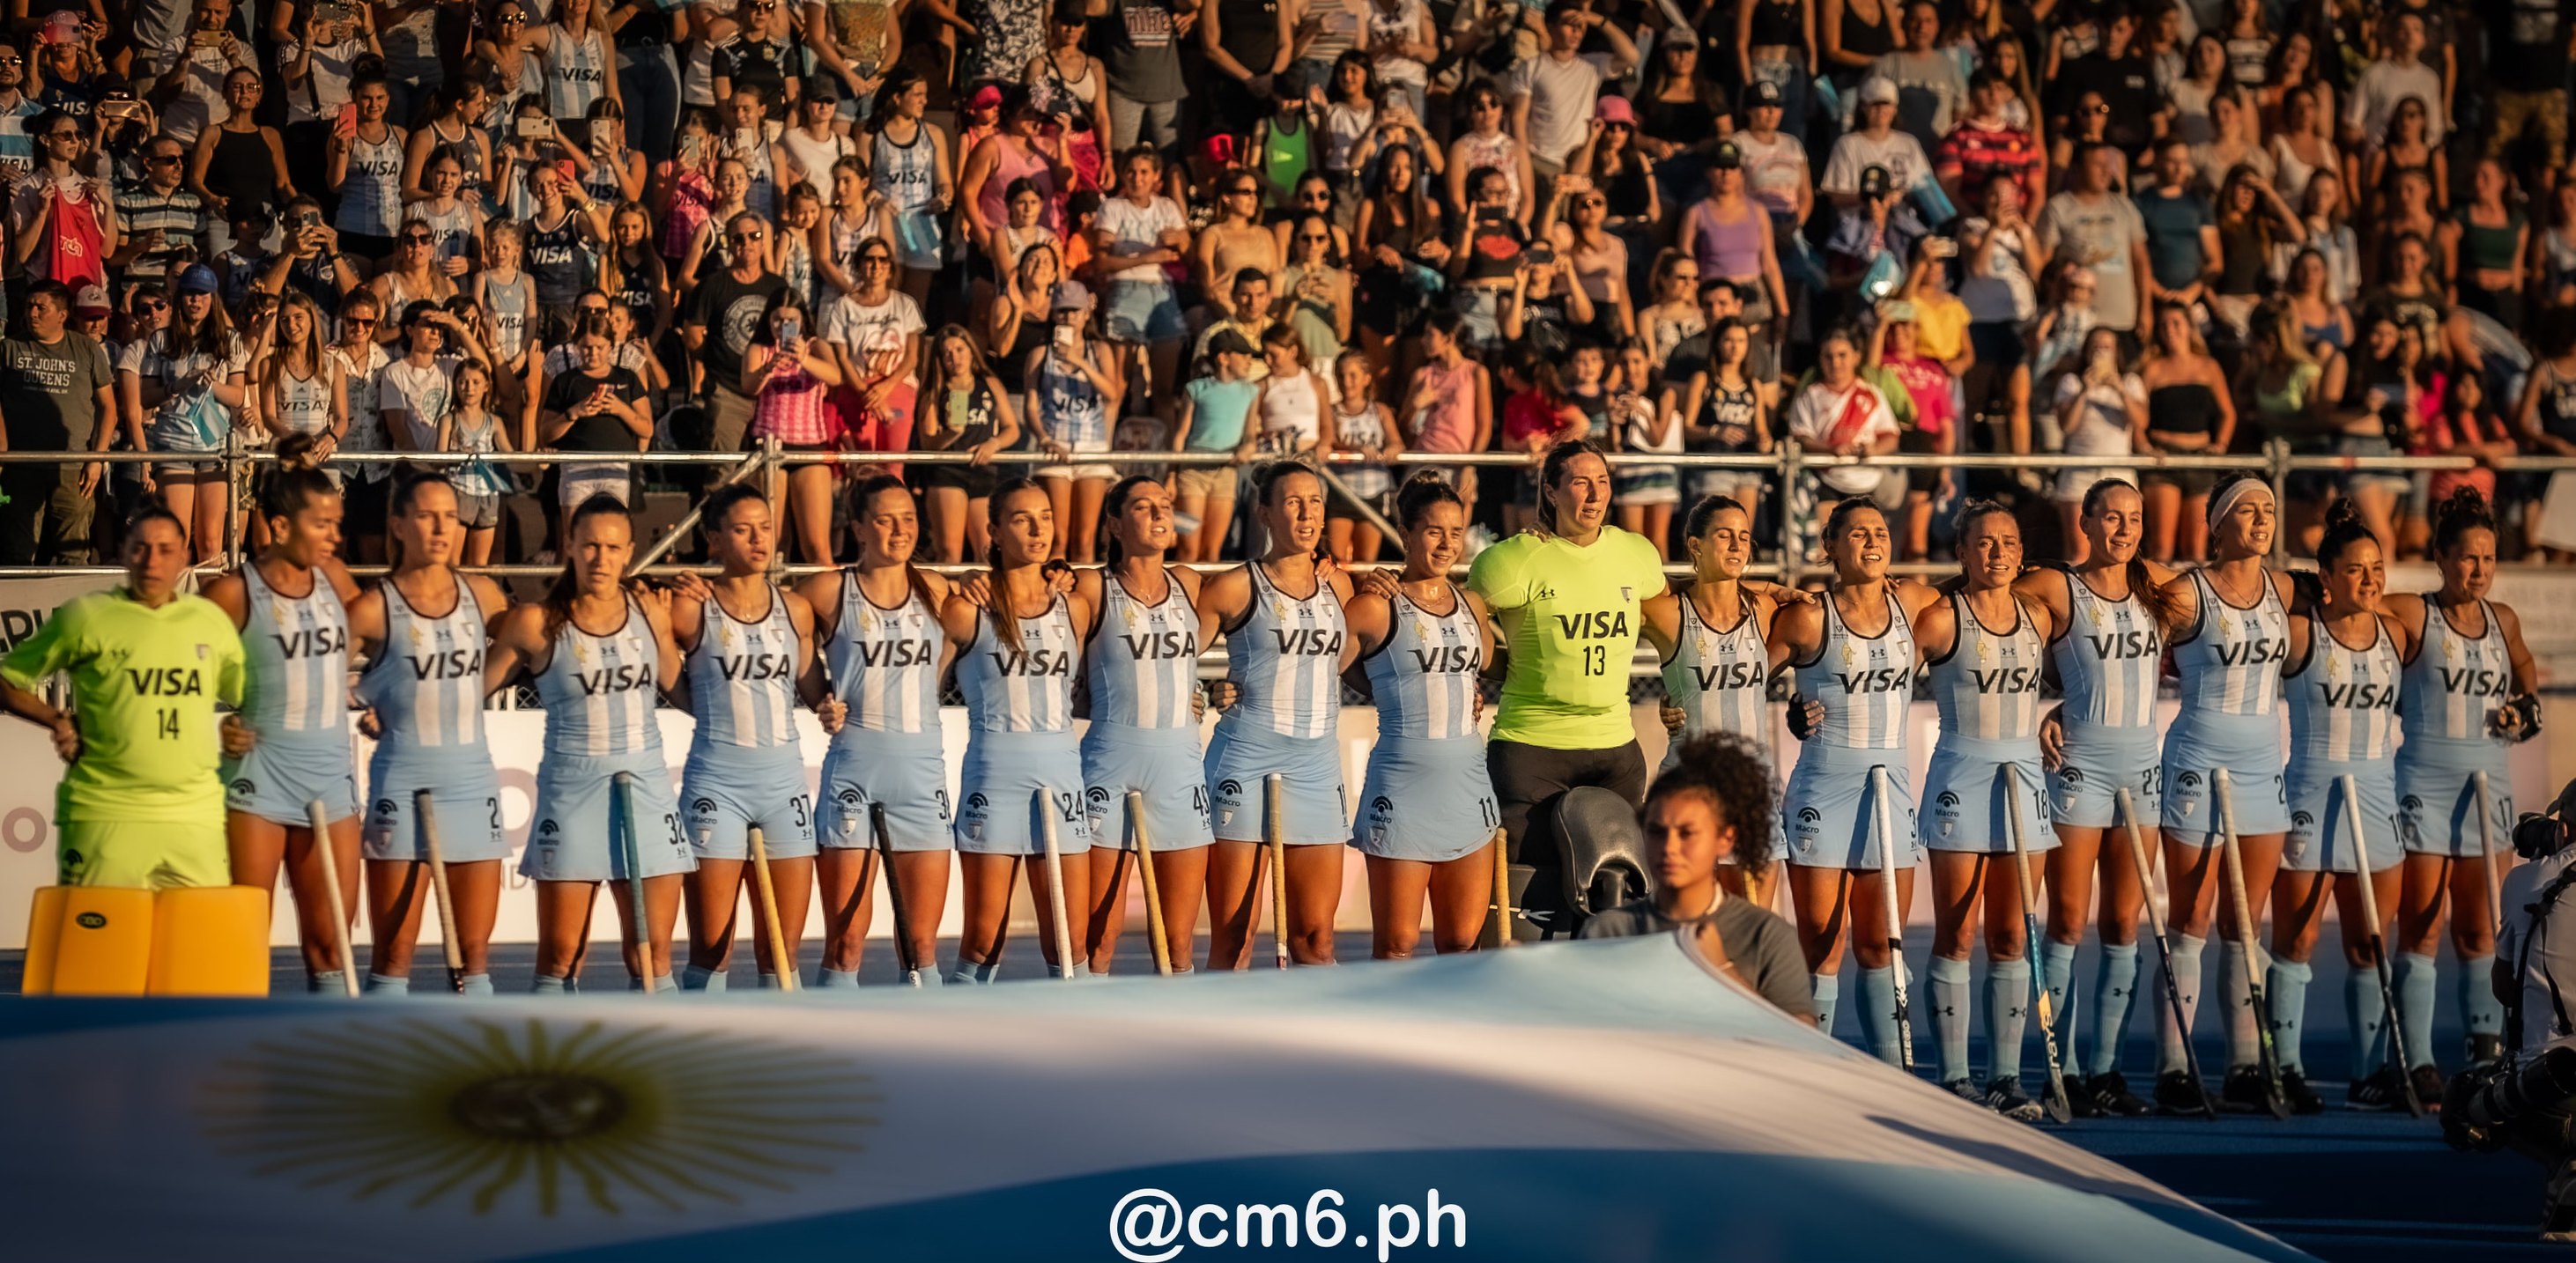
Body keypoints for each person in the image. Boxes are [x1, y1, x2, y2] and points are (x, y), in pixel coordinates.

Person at [484, 494, 692, 992]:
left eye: (613, 547)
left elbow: (683, 691)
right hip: (573, 796)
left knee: (651, 955)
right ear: (570, 546)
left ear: (629, 551)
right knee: (561, 956)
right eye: (591, 545)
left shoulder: (649, 610)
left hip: (644, 792)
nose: (601, 558)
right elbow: (465, 691)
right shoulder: (534, 622)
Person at [2018, 478, 2178, 1117]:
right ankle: (2066, 1067)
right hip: (2080, 763)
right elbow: (1986, 608)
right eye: (2110, 518)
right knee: (2068, 920)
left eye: (2134, 518)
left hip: (2142, 767)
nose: (2123, 529)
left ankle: (2108, 1068)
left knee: (2123, 923)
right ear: (2084, 523)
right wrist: (2049, 711)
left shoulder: (2160, 587)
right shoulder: (2059, 586)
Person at [2148, 474, 2298, 1112]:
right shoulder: (2186, 594)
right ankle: (2175, 1066)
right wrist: (2060, 711)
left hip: (2264, 762)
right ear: (2217, 521)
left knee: (2245, 923)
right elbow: (2123, 661)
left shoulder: (2285, 587)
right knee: (2191, 920)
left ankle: (2244, 1065)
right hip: (2198, 760)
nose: (2261, 518)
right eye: (2247, 509)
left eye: (2268, 507)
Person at [1908, 500, 2062, 1119]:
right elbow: (1885, 685)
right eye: (1985, 544)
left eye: (2008, 543)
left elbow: (2086, 682)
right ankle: (1953, 1076)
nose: (1997, 553)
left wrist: (2062, 715)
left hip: (2025, 776)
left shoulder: (2041, 618)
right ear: (1963, 554)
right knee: (1957, 931)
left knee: (2011, 934)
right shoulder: (1942, 619)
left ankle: (2005, 1076)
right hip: (1961, 776)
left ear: (2022, 554)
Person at [1771, 499, 1940, 1060]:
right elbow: (1741, 676)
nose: (1873, 541)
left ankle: (1891, 1075)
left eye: (1880, 532)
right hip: (1824, 788)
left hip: (1889, 789)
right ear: (1831, 548)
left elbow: (1983, 614)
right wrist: (1793, 710)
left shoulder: (1913, 602)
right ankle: (1814, 1075)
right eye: (1858, 533)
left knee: (1882, 946)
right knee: (1822, 947)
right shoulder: (1808, 616)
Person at [0, 509, 247, 890]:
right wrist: (57, 718)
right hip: (106, 817)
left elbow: (248, 697)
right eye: (141, 548)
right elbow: (8, 679)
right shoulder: (86, 617)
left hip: (194, 823)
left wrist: (238, 726)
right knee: (100, 950)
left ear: (184, 556)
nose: (152, 561)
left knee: (198, 950)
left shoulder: (210, 622)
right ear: (123, 552)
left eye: (165, 550)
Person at [2388, 487, 2539, 1091]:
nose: (2479, 571)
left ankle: (2484, 1048)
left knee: (2481, 928)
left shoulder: (2504, 621)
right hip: (2424, 776)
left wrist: (2520, 714)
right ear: (2442, 558)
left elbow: (2526, 686)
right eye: (2468, 558)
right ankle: (2417, 1061)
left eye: (2488, 559)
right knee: (2421, 925)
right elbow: (2351, 610)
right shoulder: (2412, 611)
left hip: (2488, 782)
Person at [201, 451, 364, 993]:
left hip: (330, 776)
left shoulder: (335, 579)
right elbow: (177, 673)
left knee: (332, 944)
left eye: (337, 524)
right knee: (242, 938)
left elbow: (384, 640)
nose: (334, 537)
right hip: (259, 778)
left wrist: (383, 697)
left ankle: (328, 1069)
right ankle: (236, 1064)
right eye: (322, 524)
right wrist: (218, 723)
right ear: (278, 526)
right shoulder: (232, 592)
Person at [347, 474, 512, 995]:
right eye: (426, 515)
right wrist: (368, 697)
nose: (443, 527)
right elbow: (319, 674)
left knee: (475, 955)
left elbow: (533, 644)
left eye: (451, 514)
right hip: (403, 782)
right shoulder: (374, 606)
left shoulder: (482, 594)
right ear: (398, 525)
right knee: (394, 952)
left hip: (472, 782)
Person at [2269, 500, 2409, 1111]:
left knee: (2370, 945)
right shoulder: (2300, 633)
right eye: (2354, 570)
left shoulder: (2398, 634)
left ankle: (2368, 1071)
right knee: (2295, 942)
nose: (2371, 580)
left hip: (2377, 794)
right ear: (2324, 577)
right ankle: (2287, 1067)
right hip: (2308, 790)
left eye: (2376, 568)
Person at [1193, 461, 1358, 968]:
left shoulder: (1342, 586)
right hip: (1245, 758)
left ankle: (1315, 1047)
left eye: (1315, 501)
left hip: (1316, 764)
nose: (1307, 513)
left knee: (1316, 940)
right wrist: (1206, 687)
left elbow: (1350, 665)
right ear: (1264, 512)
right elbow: (1169, 658)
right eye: (1292, 501)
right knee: (1234, 939)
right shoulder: (1234, 586)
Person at [801, 475, 956, 985]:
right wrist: (820, 696)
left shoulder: (935, 588)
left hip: (920, 773)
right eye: (885, 520)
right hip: (856, 771)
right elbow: (783, 636)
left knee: (922, 943)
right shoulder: (829, 590)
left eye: (908, 518)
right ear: (859, 528)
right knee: (846, 942)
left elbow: (962, 643)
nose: (900, 530)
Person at [939, 478, 1095, 979]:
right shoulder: (968, 607)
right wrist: (964, 576)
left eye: (1045, 516)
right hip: (995, 771)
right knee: (985, 939)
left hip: (1061, 770)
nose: (1037, 528)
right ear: (995, 530)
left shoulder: (1074, 606)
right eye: (1022, 519)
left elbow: (1098, 688)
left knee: (1070, 942)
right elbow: (920, 684)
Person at [672, 485, 822, 991]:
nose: (759, 539)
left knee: (781, 953)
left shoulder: (796, 609)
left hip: (784, 786)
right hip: (718, 784)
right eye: (742, 529)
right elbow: (660, 671)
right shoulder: (691, 607)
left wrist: (830, 705)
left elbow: (811, 685)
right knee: (711, 950)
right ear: (714, 539)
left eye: (765, 525)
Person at [1346, 474, 1499, 960]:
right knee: (1396, 945)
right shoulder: (1374, 605)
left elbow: (1490, 668)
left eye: (1456, 532)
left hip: (1468, 782)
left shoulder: (1473, 605)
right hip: (1404, 784)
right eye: (1434, 531)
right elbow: (1319, 665)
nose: (1447, 543)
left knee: (1461, 943)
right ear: (1406, 533)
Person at [1580, 732, 1816, 1023]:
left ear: (1725, 839)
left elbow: (1801, 1042)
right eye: (1656, 831)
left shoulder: (1767, 936)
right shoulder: (1608, 932)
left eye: (1687, 834)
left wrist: (1723, 968)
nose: (1669, 848)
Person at [1075, 475, 1210, 973]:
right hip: (1111, 762)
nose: (1159, 514)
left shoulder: (1191, 582)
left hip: (1178, 765)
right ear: (1114, 523)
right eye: (1142, 506)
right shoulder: (1092, 586)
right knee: (1097, 939)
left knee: (1177, 945)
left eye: (1166, 505)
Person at [0, 280, 115, 566]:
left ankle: (72, 610)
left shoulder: (87, 349)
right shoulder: (9, 348)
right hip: (20, 465)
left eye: (42, 307)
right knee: (18, 552)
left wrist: (97, 459)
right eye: (29, 307)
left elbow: (109, 408)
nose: (33, 313)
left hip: (73, 466)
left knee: (74, 551)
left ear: (63, 314)